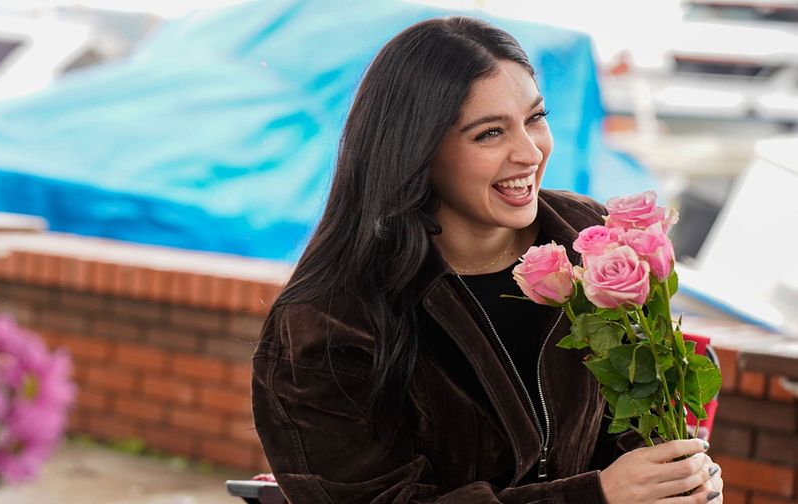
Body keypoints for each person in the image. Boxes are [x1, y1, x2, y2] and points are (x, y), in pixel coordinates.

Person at [251, 16, 723, 504]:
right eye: (490, 133)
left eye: (535, 118)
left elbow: (631, 423)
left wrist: (676, 481)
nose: (529, 151)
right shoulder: (330, 318)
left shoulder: (592, 239)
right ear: (417, 150)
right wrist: (595, 496)